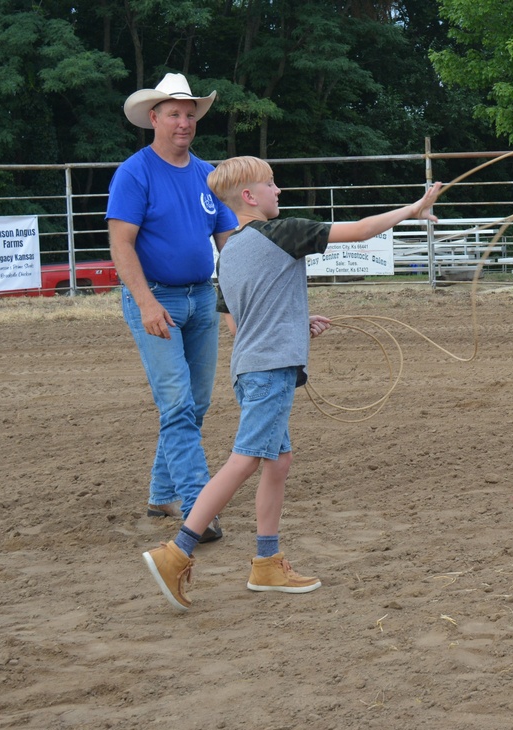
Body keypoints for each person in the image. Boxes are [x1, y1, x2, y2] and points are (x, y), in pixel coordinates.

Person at [142, 155, 442, 611]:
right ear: (249, 196)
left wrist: (295, 324)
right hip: (269, 373)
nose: (277, 190)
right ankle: (178, 550)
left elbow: (239, 323)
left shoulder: (231, 251)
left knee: (276, 461)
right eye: (271, 183)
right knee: (244, 461)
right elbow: (360, 230)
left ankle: (267, 563)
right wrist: (412, 209)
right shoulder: (280, 233)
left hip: (251, 368)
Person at [106, 73, 238, 543]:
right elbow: (121, 243)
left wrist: (236, 301)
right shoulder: (135, 172)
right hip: (157, 298)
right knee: (179, 403)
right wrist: (144, 302)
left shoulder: (208, 174)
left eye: (190, 114)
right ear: (154, 118)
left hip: (200, 296)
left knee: (193, 405)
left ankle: (162, 494)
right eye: (174, 114)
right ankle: (196, 503)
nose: (184, 122)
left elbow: (230, 242)